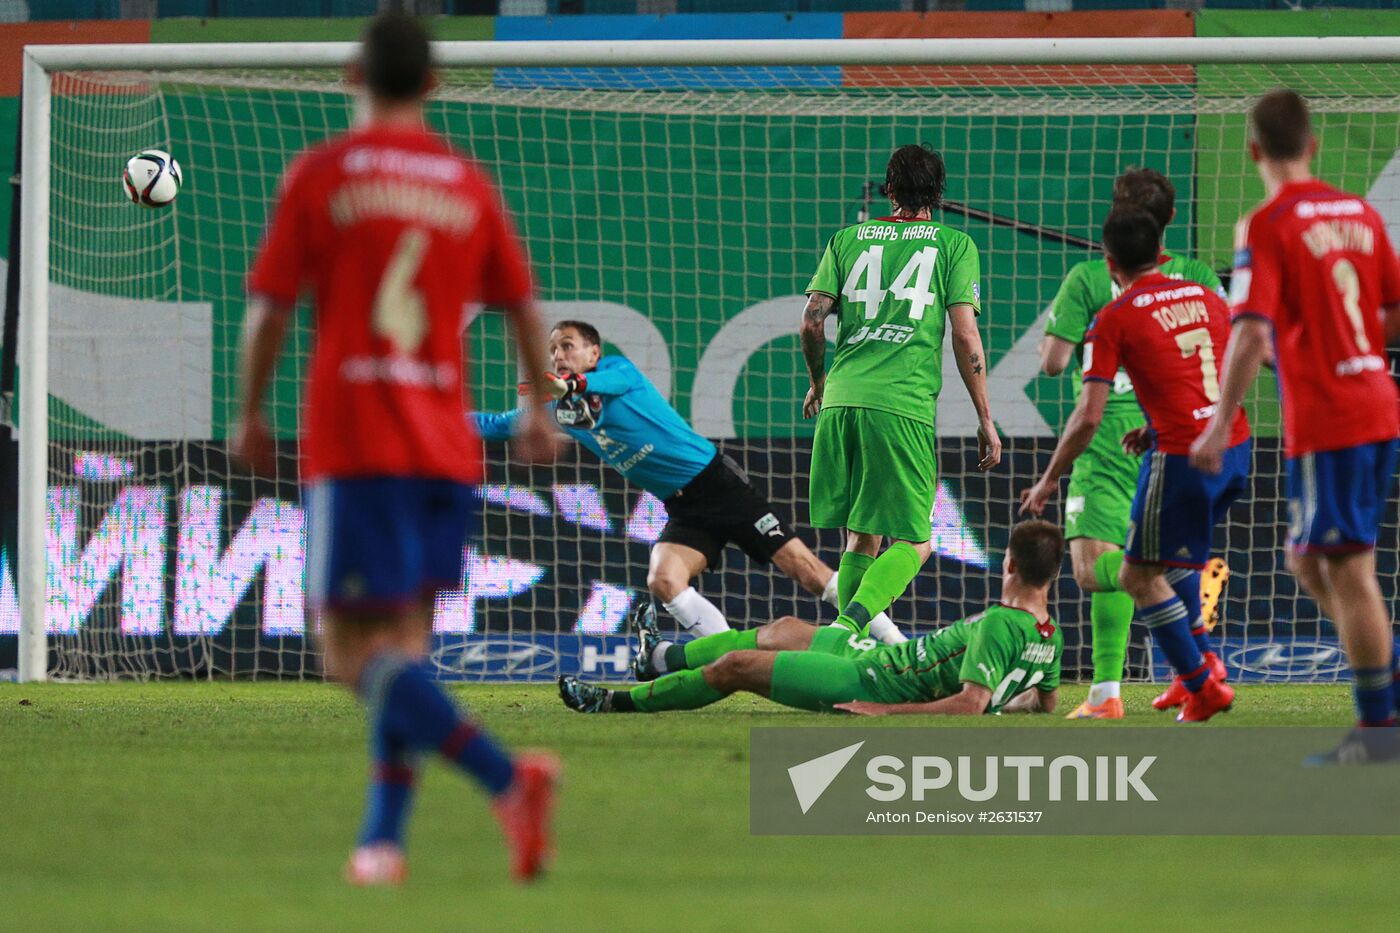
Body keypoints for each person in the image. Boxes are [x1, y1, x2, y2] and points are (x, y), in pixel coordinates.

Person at [233, 13, 560, 886]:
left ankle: (506, 777)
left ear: (352, 74)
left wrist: (250, 412)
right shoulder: (465, 181)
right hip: (445, 449)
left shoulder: (323, 174)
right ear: (433, 83)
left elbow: (268, 308)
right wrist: (536, 410)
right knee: (405, 649)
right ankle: (383, 840)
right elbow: (524, 306)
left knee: (348, 654)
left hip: (358, 440)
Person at [1191, 89, 1400, 763]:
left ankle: (1379, 730)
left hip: (1332, 414)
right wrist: (1351, 340)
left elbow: (1250, 332)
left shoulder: (1267, 224)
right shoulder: (1362, 214)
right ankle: (1385, 690)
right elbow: (1392, 307)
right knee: (1310, 559)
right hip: (1375, 396)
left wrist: (1220, 423)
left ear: (1253, 150)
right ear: (1313, 145)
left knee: (1345, 566)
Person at [475, 320, 906, 644]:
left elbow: (605, 381)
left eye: (566, 346)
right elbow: (495, 424)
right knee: (662, 581)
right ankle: (725, 655)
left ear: (592, 352)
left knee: (808, 571)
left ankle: (897, 647)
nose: (557, 355)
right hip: (682, 506)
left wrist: (569, 382)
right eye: (551, 351)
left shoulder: (617, 372)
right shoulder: (560, 409)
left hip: (718, 484)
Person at [1020, 208, 1248, 724]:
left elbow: (1059, 371)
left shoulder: (1104, 301)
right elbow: (1236, 348)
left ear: (1110, 260)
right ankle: (1113, 690)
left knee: (1102, 568)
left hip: (1116, 444)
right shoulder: (1202, 285)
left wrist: (1050, 476)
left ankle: (1192, 673)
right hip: (1215, 438)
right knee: (1136, 560)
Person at [799, 143, 1001, 646]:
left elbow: (810, 320)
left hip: (841, 401)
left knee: (860, 537)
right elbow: (965, 336)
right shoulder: (954, 245)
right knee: (917, 540)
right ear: (938, 193)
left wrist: (819, 382)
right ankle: (846, 628)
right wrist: (985, 418)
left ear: (888, 189)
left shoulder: (846, 239)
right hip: (900, 405)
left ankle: (845, 653)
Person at [557, 520, 1063, 717]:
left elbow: (968, 705)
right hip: (882, 658)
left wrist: (884, 713)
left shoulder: (1000, 623)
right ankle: (661, 658)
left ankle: (614, 704)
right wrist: (1005, 704)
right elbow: (1042, 704)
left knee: (734, 666)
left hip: (866, 681)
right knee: (783, 629)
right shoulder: (1049, 635)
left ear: (1010, 565)